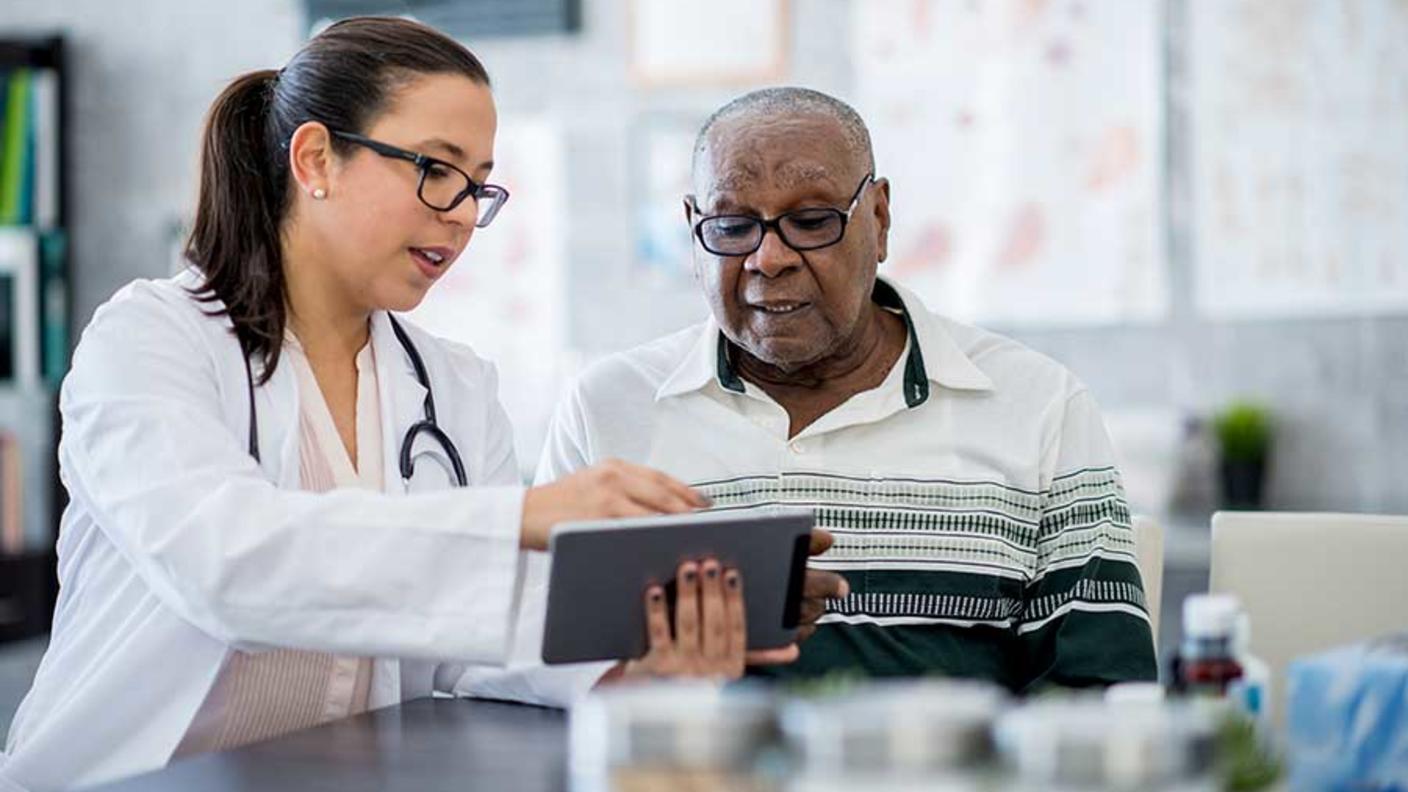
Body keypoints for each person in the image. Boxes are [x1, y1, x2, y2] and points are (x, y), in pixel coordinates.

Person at [0, 20, 807, 791]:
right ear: (316, 159)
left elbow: (483, 640)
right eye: (435, 169)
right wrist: (520, 517)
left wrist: (643, 652)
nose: (460, 215)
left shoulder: (453, 387)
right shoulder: (149, 339)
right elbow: (225, 565)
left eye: (479, 188)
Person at [531, 87, 1158, 693]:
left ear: (879, 220)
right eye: (731, 226)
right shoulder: (607, 409)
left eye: (810, 221)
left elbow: (1100, 692)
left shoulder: (1037, 405)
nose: (768, 258)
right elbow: (531, 668)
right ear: (693, 230)